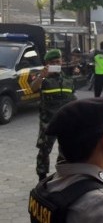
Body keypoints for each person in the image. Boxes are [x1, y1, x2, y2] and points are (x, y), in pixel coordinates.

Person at [30, 49, 77, 181]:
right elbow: (33, 88)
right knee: (44, 150)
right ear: (47, 63)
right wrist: (42, 75)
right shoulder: (43, 78)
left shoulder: (68, 78)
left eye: (58, 61)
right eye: (53, 62)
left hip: (65, 122)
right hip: (48, 122)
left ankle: (61, 175)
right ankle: (42, 177)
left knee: (65, 150)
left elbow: (73, 97)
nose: (57, 63)